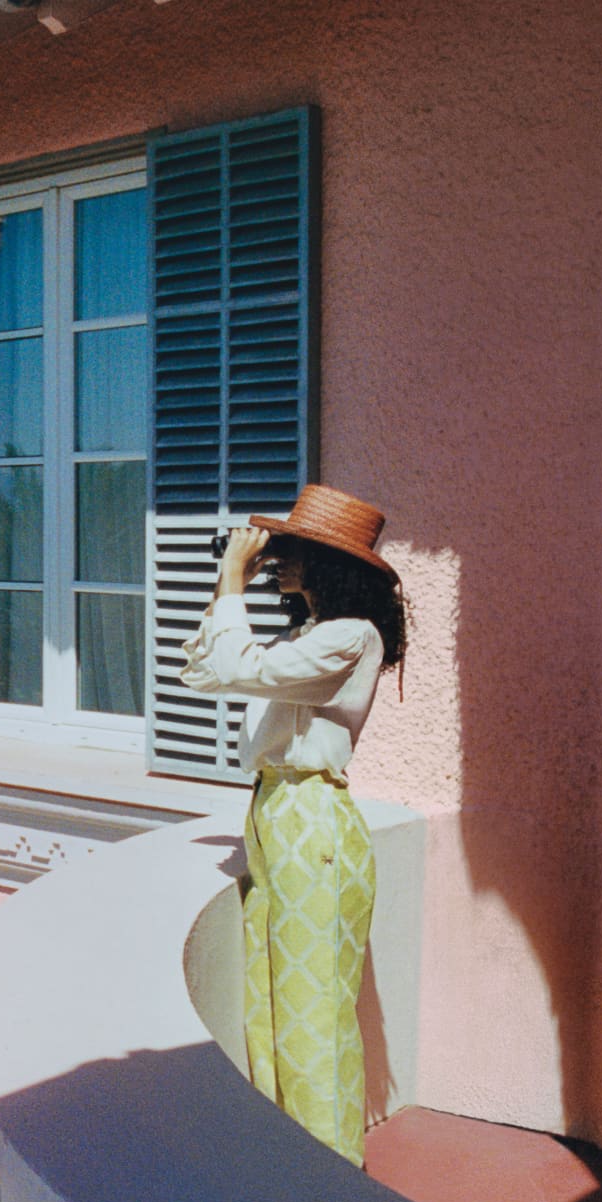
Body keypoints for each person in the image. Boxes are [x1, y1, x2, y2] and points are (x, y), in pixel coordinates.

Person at [181, 485, 408, 1166]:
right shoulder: (310, 634)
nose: (277, 561)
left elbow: (233, 667)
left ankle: (334, 1187)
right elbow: (202, 669)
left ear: (329, 564)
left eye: (292, 551)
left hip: (312, 825)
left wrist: (231, 584)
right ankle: (293, 1167)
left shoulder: (351, 637)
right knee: (270, 1007)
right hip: (280, 817)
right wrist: (233, 589)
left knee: (313, 1022)